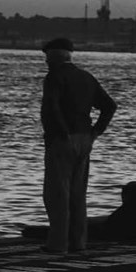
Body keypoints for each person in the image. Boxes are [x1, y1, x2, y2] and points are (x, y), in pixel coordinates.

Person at [40, 37, 117, 254]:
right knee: (77, 194)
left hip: (62, 140)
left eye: (47, 58)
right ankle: (78, 242)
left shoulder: (54, 77)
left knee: (57, 194)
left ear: (55, 57)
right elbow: (109, 106)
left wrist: (62, 131)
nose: (46, 62)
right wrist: (95, 133)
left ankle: (57, 245)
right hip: (85, 139)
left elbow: (52, 107)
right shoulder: (86, 77)